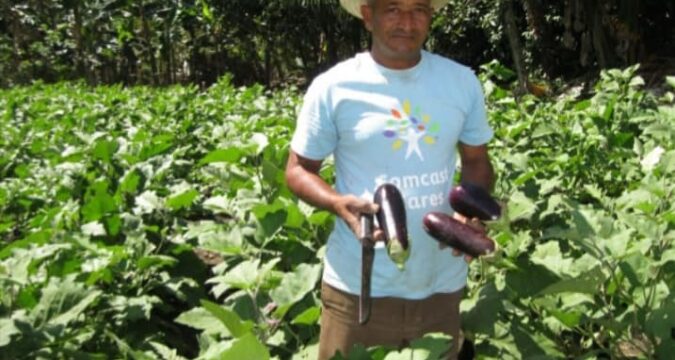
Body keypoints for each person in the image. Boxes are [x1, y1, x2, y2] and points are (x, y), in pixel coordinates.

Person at [285, 0, 495, 358]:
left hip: (441, 285)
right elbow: (298, 169)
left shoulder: (461, 82)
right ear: (369, 16)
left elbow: (477, 161)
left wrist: (470, 210)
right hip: (358, 288)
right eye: (393, 9)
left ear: (431, 17)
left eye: (419, 9)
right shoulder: (334, 86)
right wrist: (337, 203)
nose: (407, 22)